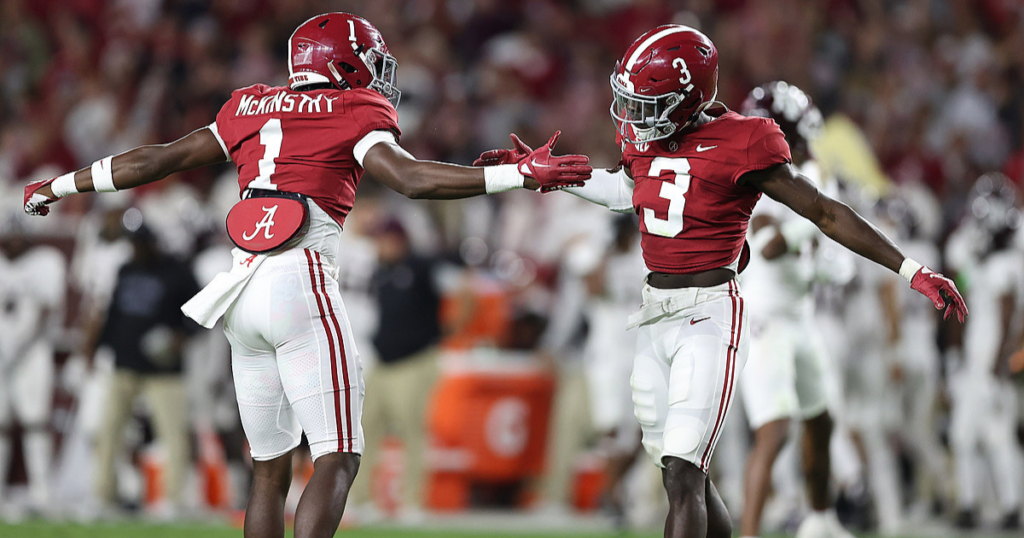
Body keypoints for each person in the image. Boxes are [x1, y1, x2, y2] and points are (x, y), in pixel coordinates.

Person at [23, 12, 592, 538]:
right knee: (338, 454)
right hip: (300, 284)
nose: (377, 74)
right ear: (345, 64)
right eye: (369, 61)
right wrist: (518, 174)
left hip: (241, 291)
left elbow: (157, 159)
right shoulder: (357, 109)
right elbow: (412, 179)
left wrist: (58, 185)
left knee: (267, 472)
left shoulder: (249, 105)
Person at [476, 24, 967, 538]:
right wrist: (541, 175)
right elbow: (628, 191)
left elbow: (823, 210)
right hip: (653, 314)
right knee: (681, 476)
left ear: (688, 98)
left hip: (708, 315)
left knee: (686, 472)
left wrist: (911, 269)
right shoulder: (650, 138)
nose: (635, 114)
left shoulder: (745, 141)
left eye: (649, 101)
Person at [733, 82, 853, 538]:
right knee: (774, 433)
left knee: (821, 422)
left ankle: (820, 521)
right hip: (765, 320)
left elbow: (808, 258)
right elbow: (766, 246)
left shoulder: (800, 178)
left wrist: (825, 265)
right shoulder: (759, 183)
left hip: (798, 317)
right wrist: (814, 225)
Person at [91, 219, 199, 515]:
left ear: (152, 242)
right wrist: (100, 348)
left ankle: (174, 501)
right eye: (132, 243)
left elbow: (203, 309)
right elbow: (114, 314)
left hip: (163, 370)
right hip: (124, 364)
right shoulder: (126, 269)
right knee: (108, 432)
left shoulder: (177, 271)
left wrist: (181, 336)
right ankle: (104, 496)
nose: (135, 249)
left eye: (139, 243)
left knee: (173, 434)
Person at [945, 173, 1024, 530]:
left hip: (992, 358)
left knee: (997, 434)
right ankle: (970, 503)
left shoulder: (1006, 265)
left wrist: (998, 365)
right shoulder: (982, 262)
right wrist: (957, 356)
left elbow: (1009, 319)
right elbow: (960, 305)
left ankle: (1010, 506)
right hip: (979, 357)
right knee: (965, 434)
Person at [0, 217, 65, 516]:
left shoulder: (46, 262)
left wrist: (17, 346)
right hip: (2, 352)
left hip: (33, 352)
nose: (13, 240)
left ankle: (42, 493)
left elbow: (45, 308)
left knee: (35, 421)